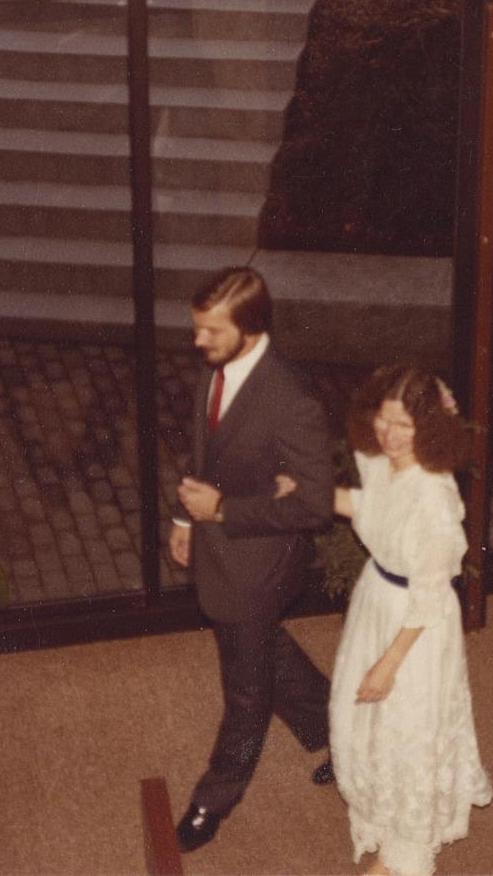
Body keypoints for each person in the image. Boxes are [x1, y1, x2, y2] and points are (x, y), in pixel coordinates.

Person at [169, 266, 337, 852]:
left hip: (256, 563)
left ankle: (214, 800)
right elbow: (203, 451)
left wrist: (221, 512)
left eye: (210, 332)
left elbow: (315, 504)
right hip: (219, 544)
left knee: (246, 692)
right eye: (197, 329)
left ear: (251, 326)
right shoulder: (216, 370)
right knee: (260, 649)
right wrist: (188, 517)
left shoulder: (291, 398)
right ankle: (341, 733)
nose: (198, 342)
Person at [328, 365, 492, 876]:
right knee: (371, 724)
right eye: (383, 420)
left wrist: (387, 665)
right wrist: (303, 495)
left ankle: (406, 856)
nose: (389, 435)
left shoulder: (435, 498)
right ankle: (386, 831)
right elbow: (368, 506)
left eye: (403, 426)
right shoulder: (384, 463)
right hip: (377, 599)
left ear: (430, 427)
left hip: (415, 626)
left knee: (408, 726)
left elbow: (427, 595)